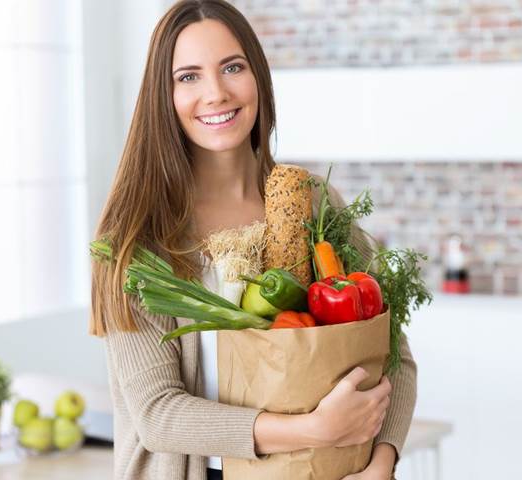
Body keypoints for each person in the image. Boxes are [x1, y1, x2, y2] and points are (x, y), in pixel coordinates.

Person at [89, 1, 417, 479]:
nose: (216, 93)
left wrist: (381, 463)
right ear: (163, 94)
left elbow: (394, 355)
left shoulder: (317, 205)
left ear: (258, 77)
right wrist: (313, 429)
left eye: (232, 67)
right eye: (188, 77)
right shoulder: (138, 235)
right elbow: (157, 414)